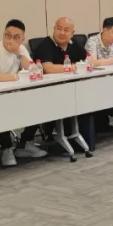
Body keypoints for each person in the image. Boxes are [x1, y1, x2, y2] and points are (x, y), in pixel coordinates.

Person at [0, 18, 47, 167]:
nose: (10, 40)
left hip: (9, 92)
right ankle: (7, 149)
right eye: (7, 35)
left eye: (16, 37)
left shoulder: (21, 49)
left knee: (39, 102)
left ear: (22, 38)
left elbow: (35, 71)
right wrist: (17, 77)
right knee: (1, 106)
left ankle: (24, 143)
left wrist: (19, 54)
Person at [34, 17, 95, 149]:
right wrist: (73, 67)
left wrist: (86, 63)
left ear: (72, 33)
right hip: (48, 91)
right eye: (59, 29)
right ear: (53, 29)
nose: (62, 33)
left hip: (71, 88)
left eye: (66, 30)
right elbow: (48, 68)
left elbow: (88, 59)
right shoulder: (45, 45)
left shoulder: (73, 44)